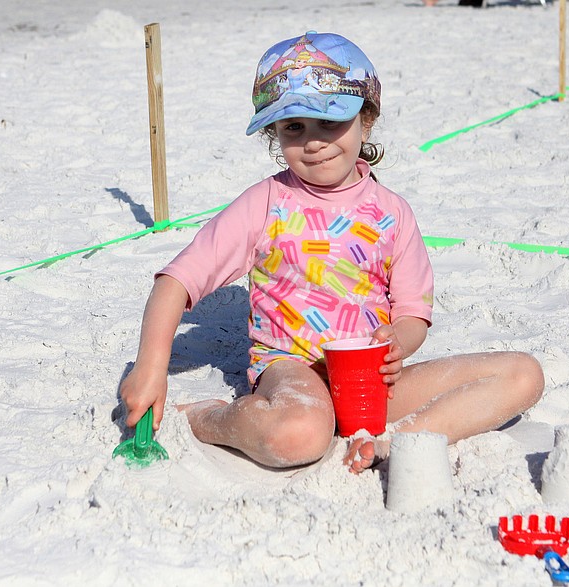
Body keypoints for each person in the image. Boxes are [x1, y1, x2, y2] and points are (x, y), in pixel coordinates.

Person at [118, 32, 544, 474]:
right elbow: (177, 280)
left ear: (368, 119)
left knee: (522, 374)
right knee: (299, 435)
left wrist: (398, 341)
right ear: (274, 133)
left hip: (371, 379)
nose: (315, 142)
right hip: (293, 371)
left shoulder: (392, 213)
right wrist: (151, 366)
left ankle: (397, 440)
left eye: (330, 122)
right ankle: (208, 418)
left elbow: (413, 312)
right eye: (294, 127)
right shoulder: (267, 204)